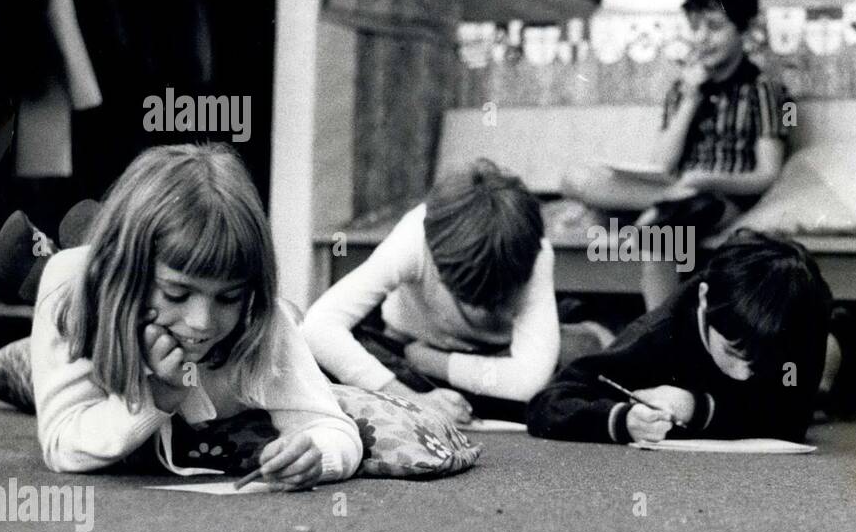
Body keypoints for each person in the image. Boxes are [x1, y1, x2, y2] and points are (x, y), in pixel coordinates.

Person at [31, 143, 362, 487]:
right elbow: (61, 443)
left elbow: (333, 428)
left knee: (291, 318)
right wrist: (158, 395)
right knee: (18, 366)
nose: (201, 322)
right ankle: (41, 262)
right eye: (177, 293)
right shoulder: (71, 290)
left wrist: (316, 456)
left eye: (228, 296)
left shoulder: (259, 316)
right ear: (128, 272)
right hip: (97, 329)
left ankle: (88, 237)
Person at [561, 0, 789, 310]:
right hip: (674, 187)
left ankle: (659, 333)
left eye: (714, 27)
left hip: (719, 198)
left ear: (742, 30)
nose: (701, 38)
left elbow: (767, 174)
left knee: (665, 225)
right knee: (576, 179)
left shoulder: (764, 90)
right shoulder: (683, 88)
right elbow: (662, 164)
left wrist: (705, 180)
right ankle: (657, 206)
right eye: (695, 27)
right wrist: (691, 98)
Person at [301, 159, 569, 424]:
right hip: (404, 353)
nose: (476, 309)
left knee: (557, 385)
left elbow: (529, 381)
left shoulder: (534, 251)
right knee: (323, 361)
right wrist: (410, 399)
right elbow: (317, 327)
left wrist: (432, 361)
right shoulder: (415, 236)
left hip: (483, 362)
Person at [528, 230, 832, 445]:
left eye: (760, 361)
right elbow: (549, 403)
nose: (743, 374)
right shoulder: (659, 333)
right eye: (733, 352)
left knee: (824, 379)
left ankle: (841, 333)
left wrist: (698, 408)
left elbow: (792, 423)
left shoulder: (803, 312)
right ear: (703, 300)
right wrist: (622, 420)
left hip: (821, 331)